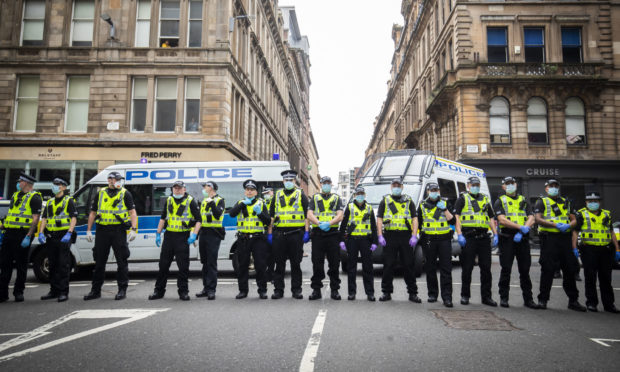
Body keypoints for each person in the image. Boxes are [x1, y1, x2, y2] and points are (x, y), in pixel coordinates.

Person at [84, 171, 138, 301]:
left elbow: (132, 212)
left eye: (119, 180)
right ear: (109, 180)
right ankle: (95, 291)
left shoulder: (125, 193)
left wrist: (134, 229)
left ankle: (122, 290)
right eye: (115, 179)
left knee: (122, 261)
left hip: (118, 231)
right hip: (102, 230)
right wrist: (89, 230)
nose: (118, 181)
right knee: (99, 262)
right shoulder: (101, 193)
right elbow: (92, 213)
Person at [534, 179, 586, 311]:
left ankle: (573, 301)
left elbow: (574, 219)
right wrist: (555, 225)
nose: (554, 188)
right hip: (549, 239)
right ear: (546, 189)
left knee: (569, 270)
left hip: (565, 239)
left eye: (556, 186)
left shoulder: (566, 202)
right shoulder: (542, 201)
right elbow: (538, 219)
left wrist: (568, 225)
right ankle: (543, 300)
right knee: (547, 270)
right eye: (551, 186)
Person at [149, 181, 201, 301]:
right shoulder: (169, 200)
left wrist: (194, 235)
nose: (177, 190)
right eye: (175, 188)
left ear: (184, 189)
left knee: (183, 267)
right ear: (172, 189)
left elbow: (199, 220)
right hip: (169, 237)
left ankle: (183, 292)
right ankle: (159, 291)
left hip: (182, 237)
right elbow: (163, 218)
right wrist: (158, 233)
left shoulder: (190, 201)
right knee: (163, 266)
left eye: (179, 188)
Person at [494, 177, 539, 309]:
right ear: (503, 187)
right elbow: (501, 220)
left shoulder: (523, 200)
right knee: (506, 269)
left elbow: (532, 217)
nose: (510, 186)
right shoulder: (500, 201)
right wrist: (520, 228)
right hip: (507, 238)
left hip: (522, 239)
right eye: (507, 184)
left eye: (512, 183)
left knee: (525, 270)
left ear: (516, 185)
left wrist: (524, 229)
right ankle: (504, 298)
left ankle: (528, 299)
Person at [454, 176, 498, 307]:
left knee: (486, 269)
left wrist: (495, 234)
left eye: (477, 185)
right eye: (473, 185)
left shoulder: (485, 199)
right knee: (467, 268)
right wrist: (460, 234)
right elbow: (457, 217)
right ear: (468, 186)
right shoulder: (462, 199)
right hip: (469, 237)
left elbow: (491, 218)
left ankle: (487, 297)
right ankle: (465, 296)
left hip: (484, 237)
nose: (475, 187)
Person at [572, 192, 619, 313]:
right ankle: (592, 303)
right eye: (590, 201)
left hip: (605, 250)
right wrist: (574, 247)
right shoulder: (581, 214)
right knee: (590, 278)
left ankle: (609, 305)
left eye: (596, 201)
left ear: (600, 202)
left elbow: (611, 232)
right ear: (586, 202)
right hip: (589, 250)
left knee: (606, 279)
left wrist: (617, 248)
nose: (593, 203)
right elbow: (575, 232)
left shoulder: (606, 214)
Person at [376, 178, 421, 303]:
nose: (396, 187)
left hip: (405, 236)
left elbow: (414, 219)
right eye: (394, 185)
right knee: (388, 265)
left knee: (408, 265)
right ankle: (386, 292)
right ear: (391, 187)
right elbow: (379, 219)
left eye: (398, 185)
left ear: (402, 187)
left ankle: (413, 293)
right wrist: (380, 235)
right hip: (390, 236)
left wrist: (414, 235)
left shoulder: (408, 200)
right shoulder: (385, 200)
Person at [0, 172, 42, 303]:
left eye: (20, 181)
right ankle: (2, 293)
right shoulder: (15, 195)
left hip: (22, 235)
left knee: (21, 266)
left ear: (27, 183)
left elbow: (35, 219)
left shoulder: (35, 198)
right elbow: (12, 214)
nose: (18, 184)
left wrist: (28, 236)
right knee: (5, 264)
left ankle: (18, 292)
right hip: (9, 234)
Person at [269, 170, 309, 299]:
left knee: (295, 264)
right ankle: (278, 290)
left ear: (294, 181)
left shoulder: (300, 194)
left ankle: (296, 290)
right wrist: (270, 233)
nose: (288, 182)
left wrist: (307, 231)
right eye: (286, 180)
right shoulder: (277, 195)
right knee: (279, 264)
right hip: (279, 234)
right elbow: (271, 216)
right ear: (283, 181)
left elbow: (307, 215)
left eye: (290, 180)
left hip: (296, 234)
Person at [228, 179, 270, 299]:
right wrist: (242, 204)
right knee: (242, 266)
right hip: (244, 239)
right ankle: (243, 291)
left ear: (256, 192)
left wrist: (260, 213)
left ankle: (262, 290)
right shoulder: (240, 202)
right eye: (247, 190)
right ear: (245, 192)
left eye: (252, 190)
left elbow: (267, 221)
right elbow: (232, 214)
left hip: (258, 239)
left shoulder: (261, 204)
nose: (250, 192)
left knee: (260, 266)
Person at [38, 178, 77, 302]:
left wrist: (69, 233)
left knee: (63, 264)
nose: (55, 186)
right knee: (53, 264)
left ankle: (63, 292)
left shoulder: (68, 201)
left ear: (64, 187)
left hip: (63, 236)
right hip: (51, 236)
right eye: (54, 184)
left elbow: (73, 218)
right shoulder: (49, 202)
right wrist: (40, 233)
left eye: (58, 185)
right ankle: (53, 290)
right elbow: (44, 218)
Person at [418, 182, 456, 307]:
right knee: (430, 267)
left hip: (444, 239)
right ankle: (432, 294)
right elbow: (418, 223)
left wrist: (445, 209)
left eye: (436, 190)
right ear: (428, 191)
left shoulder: (446, 202)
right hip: (429, 240)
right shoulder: (422, 205)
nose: (434, 192)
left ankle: (447, 297)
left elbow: (453, 220)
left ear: (439, 191)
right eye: (432, 190)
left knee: (446, 268)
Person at [307, 176, 344, 300]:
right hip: (318, 235)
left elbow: (340, 216)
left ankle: (335, 290)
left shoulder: (336, 198)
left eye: (328, 183)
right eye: (324, 183)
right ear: (321, 184)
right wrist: (319, 223)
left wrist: (329, 223)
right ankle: (316, 290)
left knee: (334, 263)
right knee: (317, 263)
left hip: (333, 234)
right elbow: (309, 214)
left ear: (331, 184)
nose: (326, 185)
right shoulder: (315, 198)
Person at [339, 186, 377, 301]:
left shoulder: (369, 208)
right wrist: (341, 240)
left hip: (366, 240)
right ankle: (352, 293)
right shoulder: (349, 207)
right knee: (351, 268)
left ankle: (370, 293)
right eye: (358, 194)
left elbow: (373, 227)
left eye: (362, 194)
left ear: (364, 195)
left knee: (368, 267)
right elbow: (343, 225)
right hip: (352, 241)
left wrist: (375, 242)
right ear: (354, 196)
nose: (360, 196)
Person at [195, 181, 225, 300]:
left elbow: (218, 214)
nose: (203, 189)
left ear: (211, 188)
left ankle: (212, 290)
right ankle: (205, 288)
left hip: (214, 234)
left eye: (205, 186)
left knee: (212, 262)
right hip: (204, 233)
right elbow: (200, 219)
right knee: (205, 263)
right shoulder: (203, 201)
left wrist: (212, 203)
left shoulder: (219, 200)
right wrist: (195, 235)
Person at [262, 186, 276, 282]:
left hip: (275, 230)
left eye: (268, 193)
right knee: (265, 254)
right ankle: (267, 274)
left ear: (272, 192)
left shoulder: (276, 202)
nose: (266, 195)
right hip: (265, 230)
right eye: (265, 194)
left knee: (274, 255)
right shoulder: (263, 203)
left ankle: (272, 274)